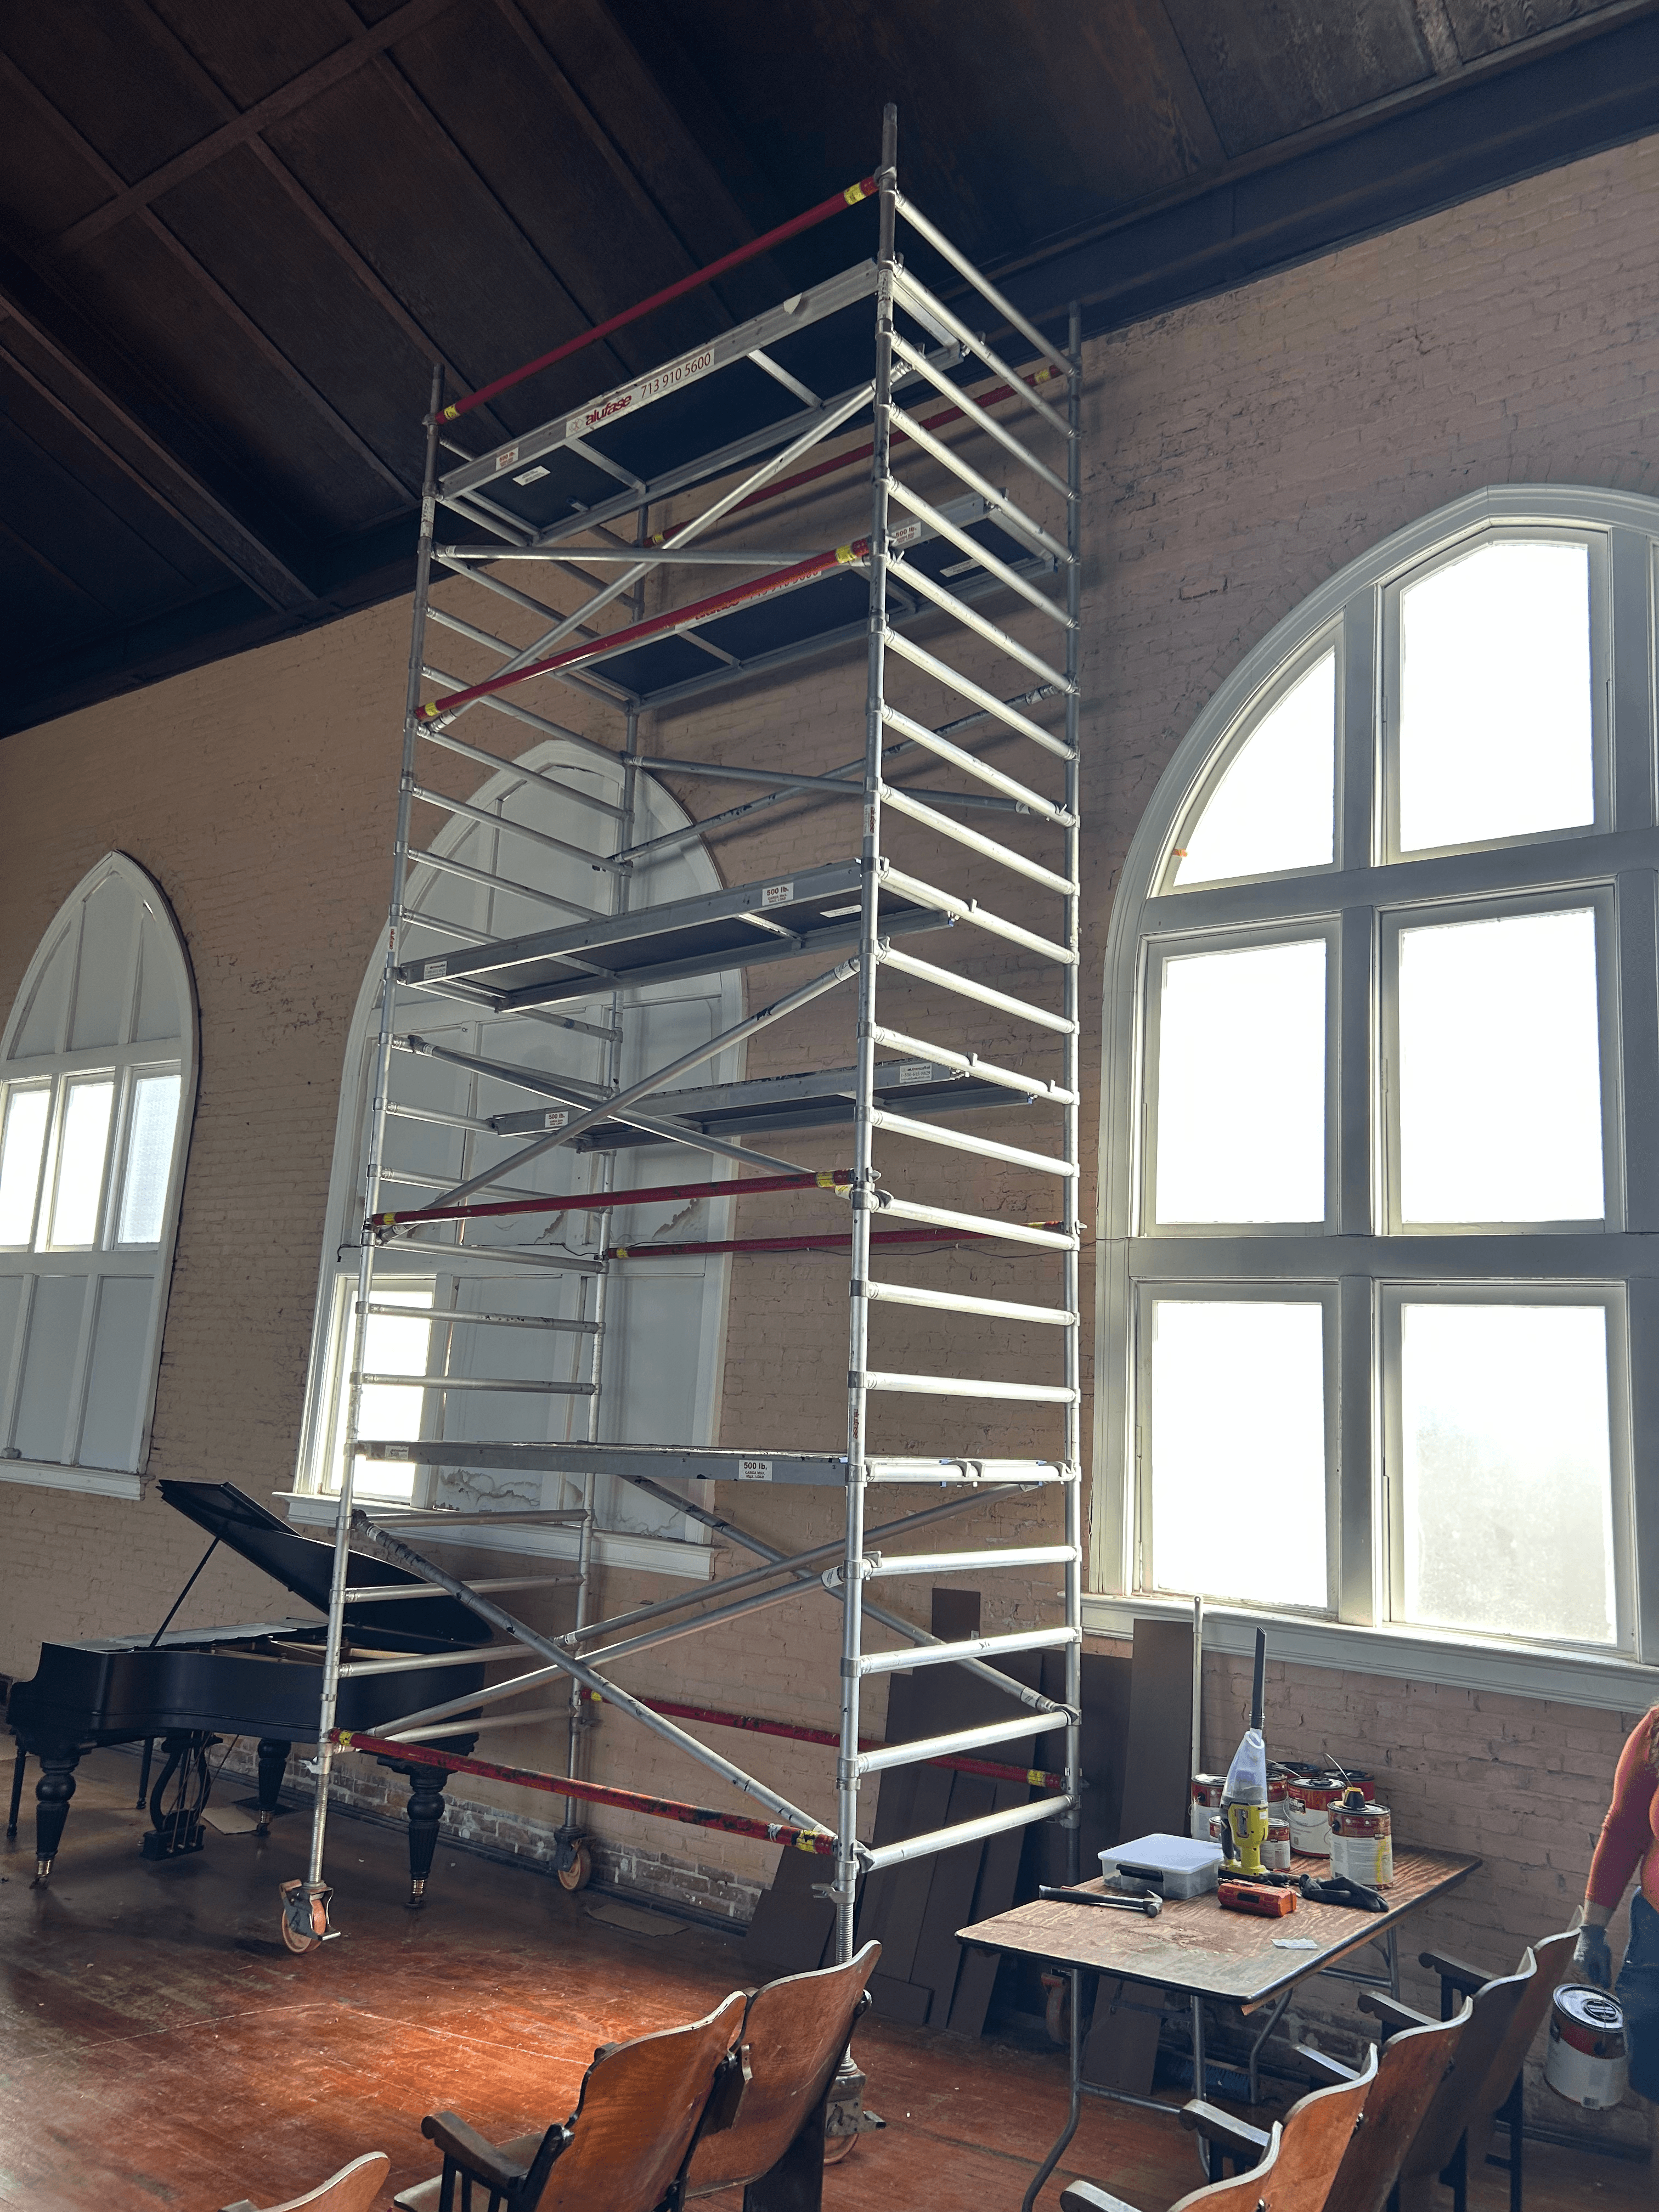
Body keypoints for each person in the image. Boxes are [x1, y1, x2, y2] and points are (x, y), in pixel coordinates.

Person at [1577, 1707, 1659, 2101]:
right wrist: (1592, 1930)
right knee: (1652, 2077)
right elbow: (1625, 1829)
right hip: (1655, 1937)